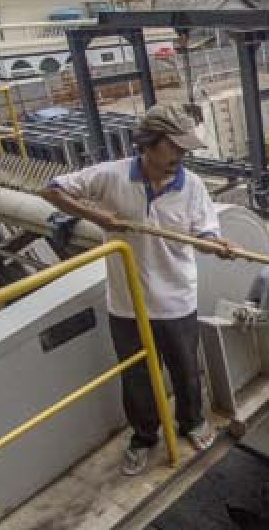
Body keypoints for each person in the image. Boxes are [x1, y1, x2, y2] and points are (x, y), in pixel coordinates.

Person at [41, 104, 233, 475]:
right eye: (174, 147)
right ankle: (144, 437)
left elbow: (205, 229)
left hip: (177, 299)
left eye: (185, 149)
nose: (181, 156)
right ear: (150, 143)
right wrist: (100, 217)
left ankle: (191, 423)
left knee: (186, 370)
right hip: (128, 305)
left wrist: (213, 244)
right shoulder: (112, 177)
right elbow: (51, 190)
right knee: (138, 377)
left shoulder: (191, 186)